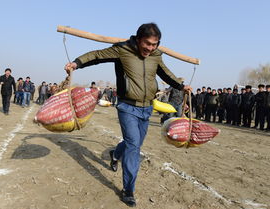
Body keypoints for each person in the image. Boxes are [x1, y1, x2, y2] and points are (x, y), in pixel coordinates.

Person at [64, 23, 192, 207]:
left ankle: (115, 155)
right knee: (133, 145)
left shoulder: (156, 56)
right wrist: (76, 63)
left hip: (147, 108)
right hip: (127, 107)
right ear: (139, 39)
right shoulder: (122, 50)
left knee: (135, 142)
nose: (150, 48)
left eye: (154, 44)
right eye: (147, 43)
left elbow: (165, 73)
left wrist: (181, 86)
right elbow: (97, 55)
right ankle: (128, 190)